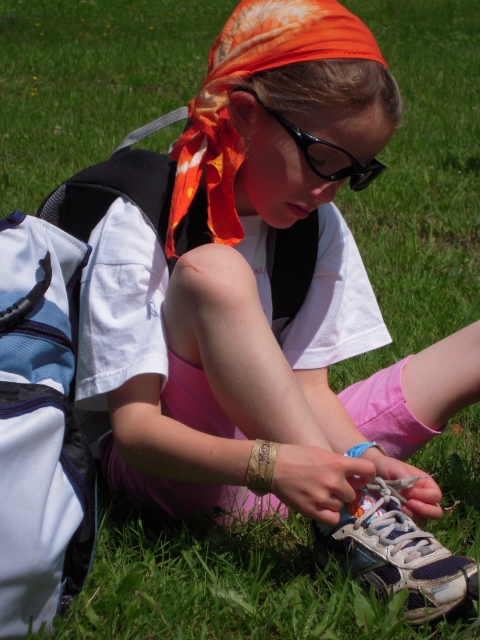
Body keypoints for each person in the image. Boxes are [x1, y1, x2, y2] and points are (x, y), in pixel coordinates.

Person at [75, 0, 479, 622]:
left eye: (354, 172)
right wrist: (271, 465)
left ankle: (354, 498)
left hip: (291, 457)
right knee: (214, 271)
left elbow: (309, 389)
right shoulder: (144, 216)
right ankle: (354, 522)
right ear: (243, 114)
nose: (329, 188)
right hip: (185, 475)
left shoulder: (315, 223)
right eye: (322, 159)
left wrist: (359, 459)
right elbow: (135, 436)